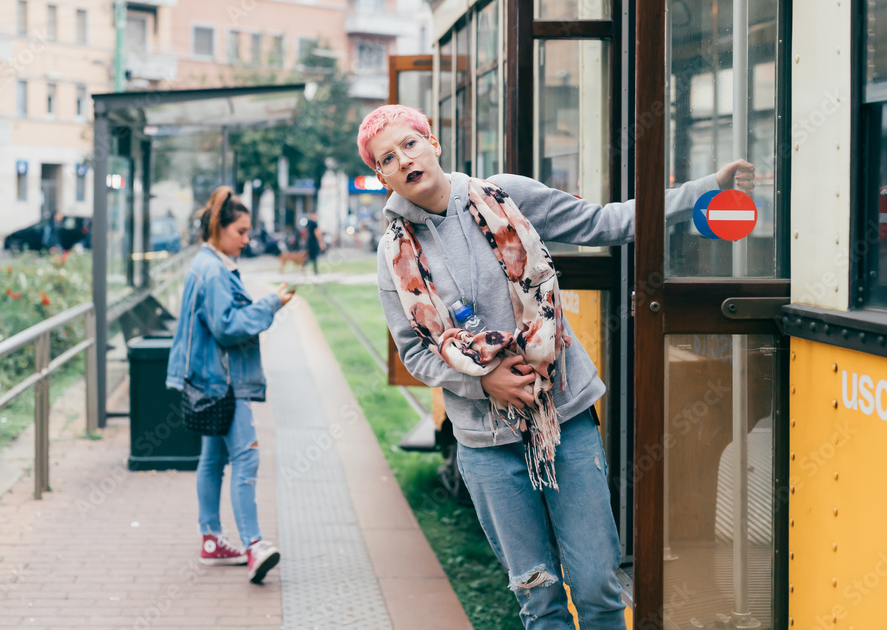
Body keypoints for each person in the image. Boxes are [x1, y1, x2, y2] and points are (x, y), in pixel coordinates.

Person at [357, 105, 754, 629]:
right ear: (382, 176)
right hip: (485, 443)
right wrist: (484, 382)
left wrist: (703, 189)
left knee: (597, 588)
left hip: (563, 418)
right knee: (539, 599)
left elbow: (601, 221)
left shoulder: (502, 194)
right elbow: (414, 351)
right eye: (388, 158)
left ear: (432, 141)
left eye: (410, 143)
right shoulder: (394, 254)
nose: (404, 159)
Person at [165, 186, 296, 584]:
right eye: (240, 231)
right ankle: (254, 546)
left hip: (207, 379)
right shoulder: (215, 272)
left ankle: (212, 539)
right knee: (246, 457)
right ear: (219, 229)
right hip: (223, 381)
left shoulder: (205, 264)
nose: (246, 239)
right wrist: (270, 304)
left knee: (212, 459)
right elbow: (226, 328)